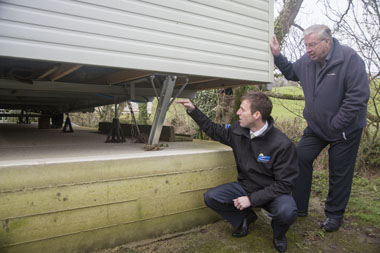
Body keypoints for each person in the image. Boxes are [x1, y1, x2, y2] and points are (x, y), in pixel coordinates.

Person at [270, 24, 370, 232]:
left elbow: (358, 97)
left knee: (339, 171)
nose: (308, 49)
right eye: (306, 45)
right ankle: (298, 206)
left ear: (327, 41)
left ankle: (334, 215)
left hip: (346, 129)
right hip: (317, 127)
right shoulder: (308, 61)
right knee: (300, 156)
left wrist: (336, 123)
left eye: (312, 44)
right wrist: (278, 55)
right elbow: (290, 72)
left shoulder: (349, 59)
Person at [177, 92, 298, 253]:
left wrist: (251, 200)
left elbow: (284, 184)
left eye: (242, 110)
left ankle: (279, 233)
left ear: (256, 115)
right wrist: (193, 110)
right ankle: (244, 219)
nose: (237, 113)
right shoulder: (238, 130)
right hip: (246, 186)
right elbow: (213, 130)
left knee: (287, 212)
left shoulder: (282, 144)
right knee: (211, 197)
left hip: (273, 192)